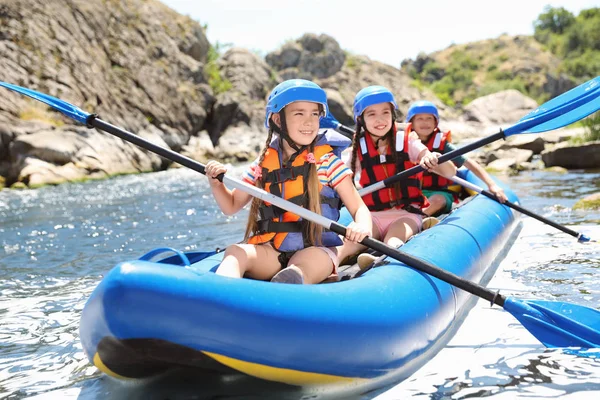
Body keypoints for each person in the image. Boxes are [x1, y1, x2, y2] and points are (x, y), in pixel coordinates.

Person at [205, 79, 372, 284]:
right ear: (277, 119)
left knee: (299, 269)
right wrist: (217, 184)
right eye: (299, 113)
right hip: (273, 250)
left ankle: (287, 289)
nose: (309, 121)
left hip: (316, 250)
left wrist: (361, 225)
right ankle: (221, 298)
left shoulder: (328, 162)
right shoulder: (264, 163)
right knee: (235, 252)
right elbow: (231, 206)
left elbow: (359, 208)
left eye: (315, 113)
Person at [337, 86, 457, 269]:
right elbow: (337, 175)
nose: (380, 119)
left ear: (393, 115)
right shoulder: (356, 150)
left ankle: (380, 261)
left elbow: (450, 173)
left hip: (406, 214)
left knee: (394, 239)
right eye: (372, 114)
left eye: (385, 112)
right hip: (372, 215)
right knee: (347, 242)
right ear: (360, 119)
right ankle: (327, 269)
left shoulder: (407, 141)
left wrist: (430, 157)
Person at [406, 101, 508, 217]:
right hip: (413, 192)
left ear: (436, 122)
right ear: (411, 123)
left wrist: (491, 185)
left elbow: (468, 163)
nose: (425, 122)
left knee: (438, 200)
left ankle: (418, 219)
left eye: (429, 118)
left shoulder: (443, 145)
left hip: (439, 192)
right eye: (420, 119)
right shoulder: (403, 144)